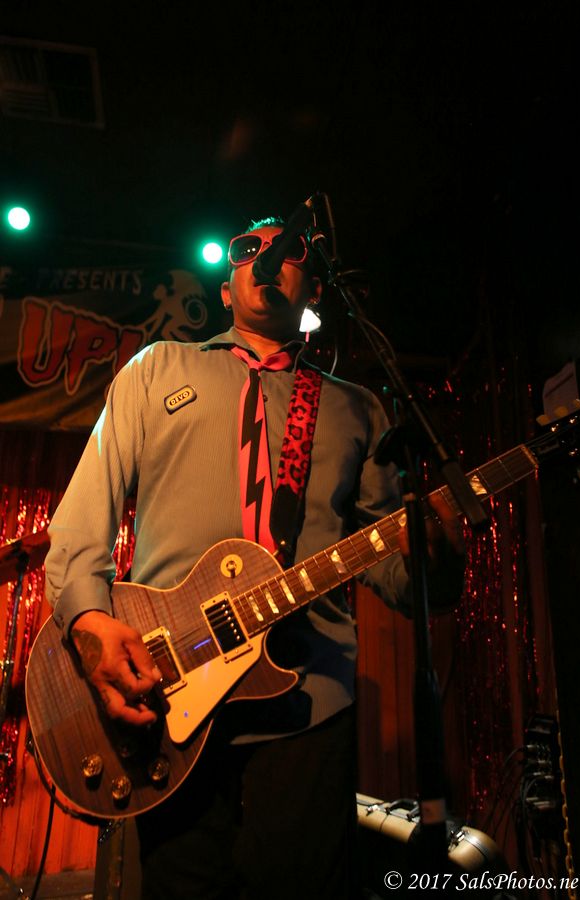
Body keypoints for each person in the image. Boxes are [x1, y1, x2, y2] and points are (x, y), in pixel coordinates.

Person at [45, 215, 465, 899]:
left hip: (309, 702)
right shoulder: (157, 369)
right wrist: (89, 621)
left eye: (287, 250)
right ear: (226, 287)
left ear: (316, 288)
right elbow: (83, 516)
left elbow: (396, 573)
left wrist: (438, 552)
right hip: (169, 690)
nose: (266, 257)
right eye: (249, 249)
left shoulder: (356, 407)